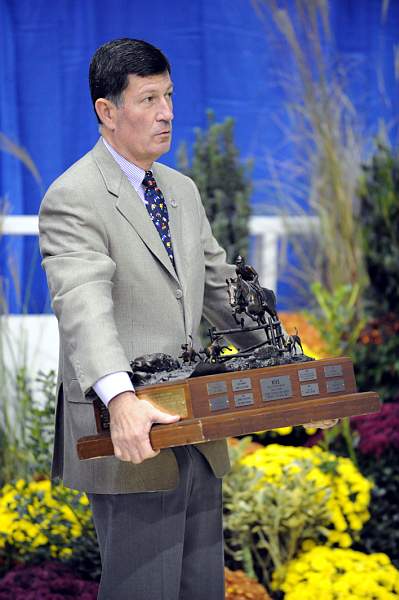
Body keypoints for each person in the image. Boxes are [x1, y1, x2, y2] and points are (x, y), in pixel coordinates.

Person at [39, 38, 336, 600]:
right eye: (149, 99)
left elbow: (225, 295)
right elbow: (83, 305)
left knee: (201, 589)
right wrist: (121, 399)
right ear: (107, 110)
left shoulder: (181, 190)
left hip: (200, 427)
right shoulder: (72, 197)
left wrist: (301, 385)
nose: (167, 112)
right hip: (129, 432)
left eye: (169, 95)